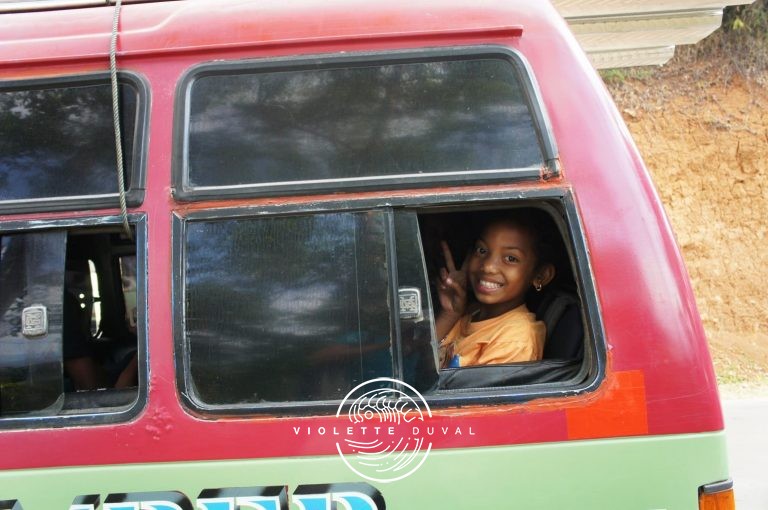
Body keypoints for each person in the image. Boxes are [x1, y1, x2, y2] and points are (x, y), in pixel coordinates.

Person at [436, 212, 556, 368]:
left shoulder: (514, 340)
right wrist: (449, 314)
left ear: (540, 276)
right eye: (482, 250)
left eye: (511, 258)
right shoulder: (473, 312)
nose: (488, 267)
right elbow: (419, 359)